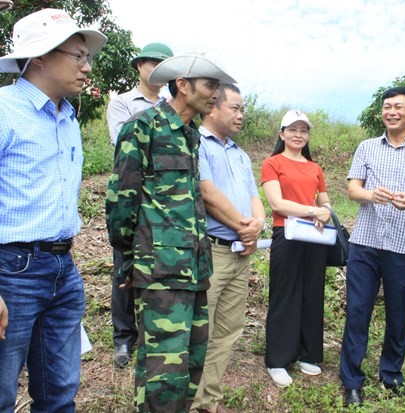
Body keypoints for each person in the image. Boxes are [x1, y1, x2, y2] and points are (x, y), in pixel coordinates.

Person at [105, 54, 236, 413]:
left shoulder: (191, 135)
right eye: (211, 86)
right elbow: (122, 202)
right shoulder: (143, 127)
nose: (216, 94)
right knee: (162, 375)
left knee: (189, 368)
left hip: (195, 269)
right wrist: (128, 263)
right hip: (160, 271)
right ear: (183, 84)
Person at [0, 8, 107, 412]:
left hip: (63, 268)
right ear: (40, 56)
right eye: (78, 56)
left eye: (88, 58)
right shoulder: (5, 110)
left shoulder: (67, 117)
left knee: (60, 390)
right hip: (11, 271)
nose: (87, 67)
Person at [339, 86, 405, 406]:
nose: (392, 112)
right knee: (357, 311)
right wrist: (371, 195)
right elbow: (352, 189)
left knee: (398, 314)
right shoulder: (367, 147)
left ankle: (391, 373)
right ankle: (352, 381)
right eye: (387, 107)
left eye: (399, 107)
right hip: (366, 244)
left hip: (404, 246)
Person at [191, 83, 266, 413]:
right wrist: (243, 226)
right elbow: (206, 194)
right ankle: (192, 404)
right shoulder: (196, 145)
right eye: (234, 108)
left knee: (228, 331)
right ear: (212, 108)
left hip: (241, 252)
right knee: (200, 332)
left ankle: (211, 400)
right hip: (213, 252)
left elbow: (254, 197)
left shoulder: (240, 153)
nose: (241, 114)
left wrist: (257, 224)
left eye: (242, 109)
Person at [106, 42, 174, 368]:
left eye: (165, 64)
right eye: (154, 63)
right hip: (131, 196)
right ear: (139, 66)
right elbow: (126, 146)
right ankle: (123, 337)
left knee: (157, 268)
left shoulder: (173, 105)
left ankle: (152, 334)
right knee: (123, 267)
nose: (159, 69)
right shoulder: (122, 103)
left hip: (163, 203)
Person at [260, 110, 332, 388]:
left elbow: (326, 202)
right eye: (292, 129)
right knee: (285, 295)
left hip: (315, 237)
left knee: (312, 294)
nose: (298, 135)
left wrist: (324, 211)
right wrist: (314, 210)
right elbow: (277, 204)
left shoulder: (315, 168)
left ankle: (308, 354)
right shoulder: (272, 163)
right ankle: (278, 359)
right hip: (286, 234)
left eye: (303, 130)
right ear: (282, 134)